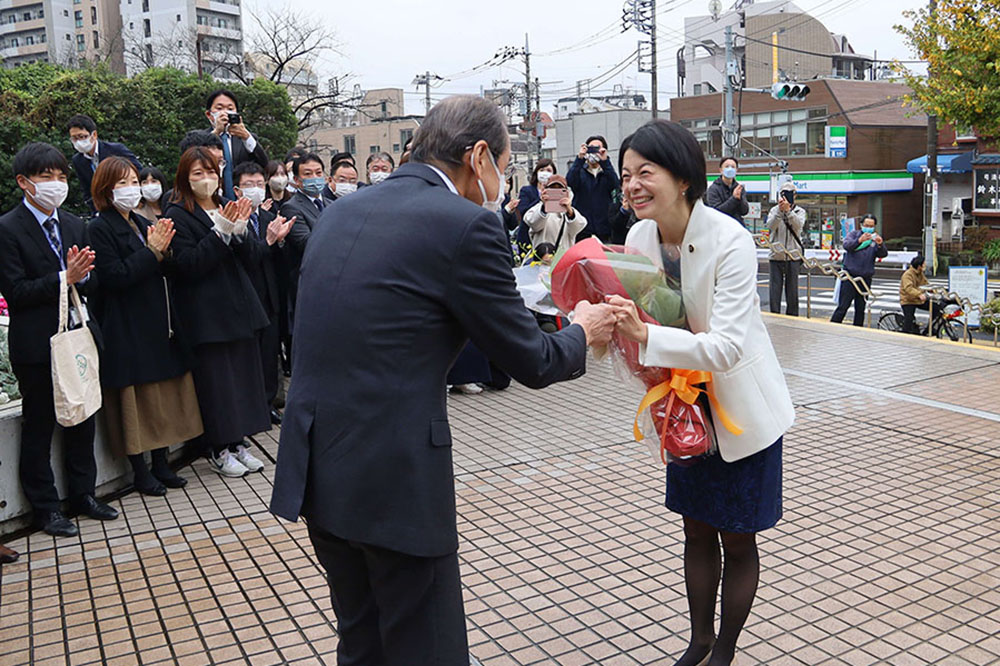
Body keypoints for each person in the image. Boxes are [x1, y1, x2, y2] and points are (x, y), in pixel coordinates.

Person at [269, 95, 616, 666]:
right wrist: (582, 328)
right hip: (393, 477)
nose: (502, 181)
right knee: (426, 649)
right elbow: (531, 359)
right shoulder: (466, 225)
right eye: (503, 165)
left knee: (363, 641)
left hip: (319, 469)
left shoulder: (340, 213)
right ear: (479, 156)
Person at [607, 120, 794, 666]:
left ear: (684, 177)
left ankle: (725, 652)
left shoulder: (730, 240)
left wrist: (645, 335)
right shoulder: (640, 237)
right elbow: (647, 316)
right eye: (626, 175)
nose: (632, 185)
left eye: (646, 172)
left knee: (737, 538)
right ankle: (699, 641)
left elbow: (727, 347)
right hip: (682, 409)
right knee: (695, 530)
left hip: (738, 409)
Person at [0, 142, 118, 537]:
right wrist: (62, 279)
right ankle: (46, 508)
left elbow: (92, 280)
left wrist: (81, 278)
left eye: (61, 176)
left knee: (82, 417)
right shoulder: (8, 229)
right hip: (37, 344)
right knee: (40, 425)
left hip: (78, 335)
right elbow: (15, 291)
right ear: (24, 182)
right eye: (45, 177)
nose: (56, 184)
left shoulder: (72, 223)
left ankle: (83, 493)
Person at [87, 156, 203, 496]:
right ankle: (141, 472)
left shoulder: (140, 221)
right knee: (136, 402)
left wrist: (164, 254)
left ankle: (162, 463)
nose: (132, 189)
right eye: (121, 183)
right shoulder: (99, 227)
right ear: (105, 189)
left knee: (162, 399)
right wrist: (151, 253)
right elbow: (114, 277)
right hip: (126, 325)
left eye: (134, 181)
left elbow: (163, 268)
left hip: (157, 322)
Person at [164, 147, 270, 478]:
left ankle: (239, 442)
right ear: (184, 178)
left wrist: (237, 230)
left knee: (242, 381)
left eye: (211, 172)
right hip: (206, 314)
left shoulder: (227, 205)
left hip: (239, 308)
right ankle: (218, 447)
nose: (206, 179)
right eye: (198, 174)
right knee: (216, 385)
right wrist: (219, 232)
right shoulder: (177, 213)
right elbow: (187, 265)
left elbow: (253, 258)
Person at [233, 161, 295, 425]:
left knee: (270, 356)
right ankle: (249, 408)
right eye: (249, 185)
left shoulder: (271, 218)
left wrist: (280, 241)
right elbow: (247, 256)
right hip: (245, 297)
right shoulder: (234, 219)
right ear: (237, 190)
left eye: (260, 184)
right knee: (248, 358)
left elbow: (280, 261)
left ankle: (268, 404)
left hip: (270, 297)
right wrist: (269, 241)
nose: (256, 189)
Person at [67, 114, 141, 213]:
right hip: (103, 209)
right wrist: (95, 211)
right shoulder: (78, 160)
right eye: (74, 138)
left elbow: (139, 172)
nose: (79, 141)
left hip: (128, 202)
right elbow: (87, 190)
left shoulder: (116, 150)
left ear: (94, 135)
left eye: (82, 136)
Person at [205, 89, 269, 199]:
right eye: (219, 108)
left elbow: (264, 163)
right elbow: (193, 158)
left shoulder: (245, 138)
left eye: (230, 109)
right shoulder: (201, 137)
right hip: (210, 198)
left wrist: (247, 137)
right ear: (209, 114)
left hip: (241, 199)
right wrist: (216, 133)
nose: (225, 112)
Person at [831, 214, 887, 327]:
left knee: (860, 307)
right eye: (866, 225)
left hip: (865, 278)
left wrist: (880, 244)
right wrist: (859, 241)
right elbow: (847, 245)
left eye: (871, 226)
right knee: (843, 306)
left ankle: (858, 329)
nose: (869, 228)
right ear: (861, 225)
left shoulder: (875, 239)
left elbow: (883, 254)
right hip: (850, 277)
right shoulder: (854, 234)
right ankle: (833, 326)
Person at [566, 135, 620, 241]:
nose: (594, 152)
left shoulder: (606, 171)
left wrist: (605, 161)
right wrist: (579, 159)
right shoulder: (580, 171)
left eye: (597, 148)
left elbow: (614, 184)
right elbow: (570, 181)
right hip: (583, 229)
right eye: (591, 148)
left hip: (604, 229)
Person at [766, 182, 807, 316]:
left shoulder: (800, 211)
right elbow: (770, 226)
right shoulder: (774, 210)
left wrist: (788, 211)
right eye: (784, 192)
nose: (787, 195)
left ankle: (793, 317)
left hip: (793, 255)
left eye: (790, 192)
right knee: (775, 290)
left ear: (795, 195)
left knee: (792, 290)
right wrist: (779, 210)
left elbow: (798, 226)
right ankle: (774, 315)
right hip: (776, 255)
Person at [523, 175, 588, 256]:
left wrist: (570, 212)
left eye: (560, 189)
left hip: (563, 260)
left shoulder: (570, 212)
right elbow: (533, 223)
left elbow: (579, 226)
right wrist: (544, 208)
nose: (556, 192)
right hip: (542, 259)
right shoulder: (537, 209)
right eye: (552, 189)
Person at [705, 157, 749, 227]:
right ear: (721, 170)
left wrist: (739, 199)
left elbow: (744, 211)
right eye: (727, 166)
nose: (730, 169)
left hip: (737, 227)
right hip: (720, 228)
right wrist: (734, 199)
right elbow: (716, 212)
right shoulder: (713, 189)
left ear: (736, 170)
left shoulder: (739, 188)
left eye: (733, 167)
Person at [900, 254, 930, 334]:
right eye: (924, 264)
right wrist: (919, 294)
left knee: (936, 308)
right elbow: (908, 288)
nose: (925, 265)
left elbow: (926, 284)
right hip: (908, 300)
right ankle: (903, 335)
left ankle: (929, 330)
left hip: (918, 300)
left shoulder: (920, 273)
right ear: (919, 265)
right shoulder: (908, 274)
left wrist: (935, 290)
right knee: (909, 320)